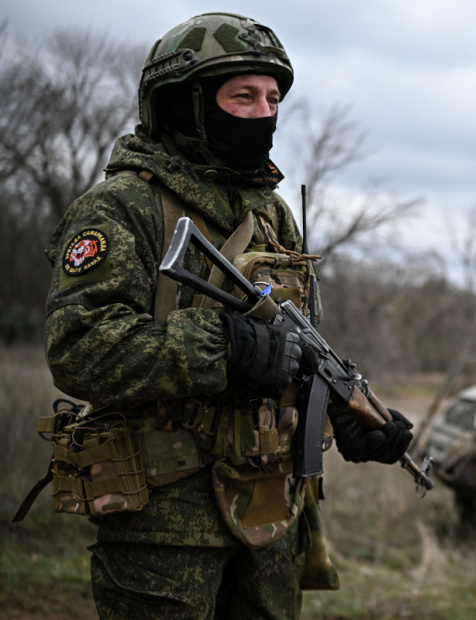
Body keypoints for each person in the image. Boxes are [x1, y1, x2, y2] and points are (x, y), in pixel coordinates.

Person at [43, 12, 413, 620]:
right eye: (243, 96)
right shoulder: (123, 206)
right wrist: (221, 346)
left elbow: (293, 351)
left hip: (270, 519)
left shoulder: (272, 215)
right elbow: (79, 348)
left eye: (272, 98)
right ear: (184, 106)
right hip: (164, 527)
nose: (264, 112)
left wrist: (344, 416)